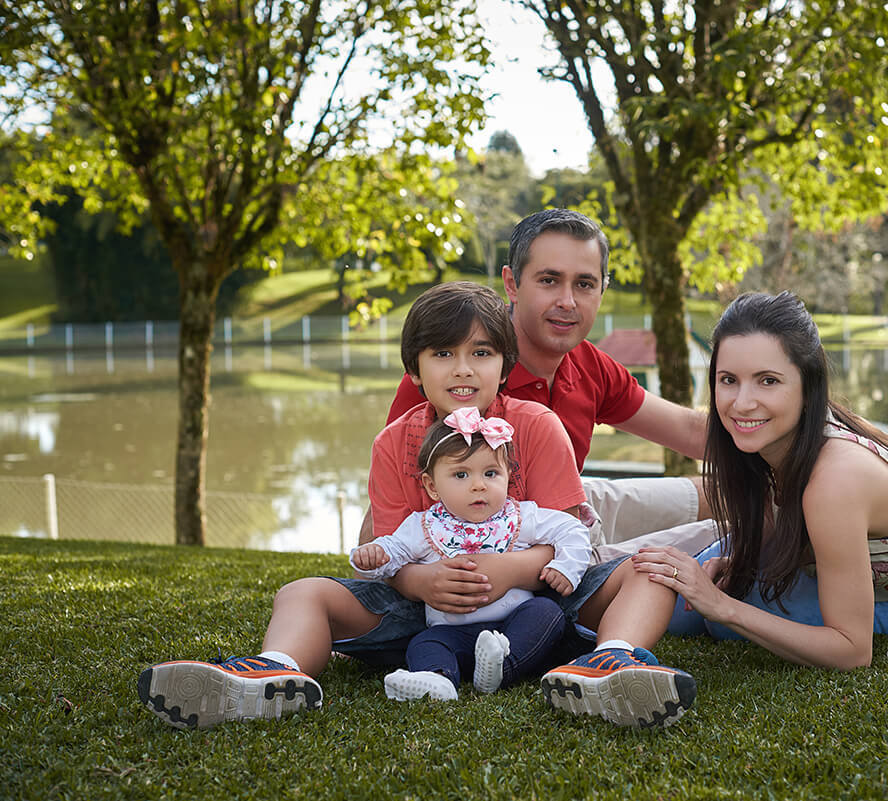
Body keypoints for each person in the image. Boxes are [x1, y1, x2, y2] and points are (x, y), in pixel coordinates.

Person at [137, 281, 692, 729]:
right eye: (443, 353)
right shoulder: (393, 443)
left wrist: (508, 570)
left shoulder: (536, 425)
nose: (463, 369)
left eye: (481, 353)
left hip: (542, 606)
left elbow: (568, 539)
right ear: (414, 368)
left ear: (505, 365)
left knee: (656, 569)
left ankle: (610, 662)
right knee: (302, 592)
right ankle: (274, 674)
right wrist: (420, 582)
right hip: (426, 613)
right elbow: (393, 549)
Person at [541, 292, 888, 723]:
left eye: (768, 381)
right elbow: (781, 515)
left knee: (714, 614)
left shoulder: (835, 479)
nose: (742, 402)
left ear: (808, 385)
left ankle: (568, 640)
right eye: (729, 380)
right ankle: (592, 648)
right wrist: (742, 562)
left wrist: (723, 606)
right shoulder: (765, 440)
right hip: (819, 557)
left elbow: (852, 650)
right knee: (672, 574)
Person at [377, 209, 717, 577]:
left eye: (584, 284)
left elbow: (687, 429)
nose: (567, 301)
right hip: (500, 545)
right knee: (710, 542)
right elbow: (386, 516)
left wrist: (767, 447)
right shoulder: (453, 380)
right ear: (512, 284)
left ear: (602, 290)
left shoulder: (589, 364)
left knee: (729, 495)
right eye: (549, 280)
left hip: (569, 507)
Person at [349, 409, 590, 701]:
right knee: (425, 642)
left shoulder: (520, 516)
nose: (479, 485)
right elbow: (393, 553)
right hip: (453, 632)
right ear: (432, 486)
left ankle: (501, 667)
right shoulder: (423, 525)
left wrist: (566, 567)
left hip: (514, 626)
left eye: (491, 473)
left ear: (508, 476)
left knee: (546, 613)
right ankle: (437, 679)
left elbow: (571, 530)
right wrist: (375, 556)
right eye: (461, 475)